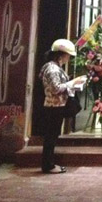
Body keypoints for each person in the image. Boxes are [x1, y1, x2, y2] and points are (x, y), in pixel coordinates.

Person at [39, 38, 86, 174]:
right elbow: (56, 88)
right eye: (68, 56)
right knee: (51, 137)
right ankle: (48, 165)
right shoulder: (53, 69)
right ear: (61, 54)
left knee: (52, 136)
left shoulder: (52, 67)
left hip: (55, 106)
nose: (68, 59)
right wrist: (72, 83)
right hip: (54, 107)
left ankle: (49, 164)